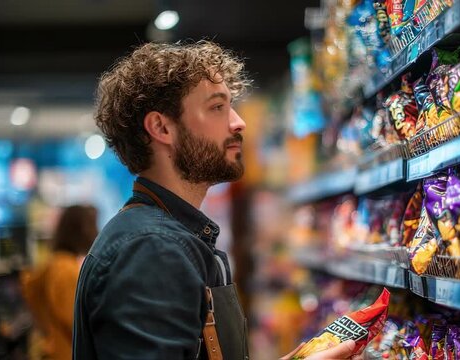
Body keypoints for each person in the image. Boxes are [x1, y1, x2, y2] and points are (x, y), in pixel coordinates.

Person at [72, 40, 358, 360]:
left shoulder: (165, 236)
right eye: (217, 107)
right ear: (161, 127)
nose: (238, 122)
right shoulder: (151, 248)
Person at [21, 205, 98, 360]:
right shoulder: (65, 268)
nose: (96, 231)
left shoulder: (57, 262)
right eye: (92, 224)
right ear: (80, 230)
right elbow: (75, 321)